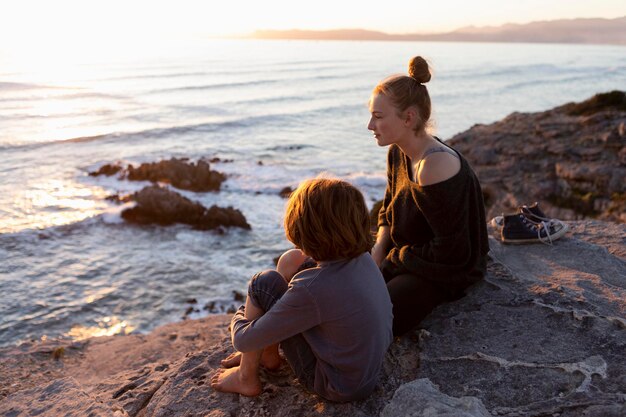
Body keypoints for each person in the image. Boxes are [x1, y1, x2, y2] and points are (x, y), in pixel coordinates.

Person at [210, 178, 393, 402]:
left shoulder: (313, 288)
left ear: (302, 229)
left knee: (261, 284)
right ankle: (268, 353)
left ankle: (245, 377)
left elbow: (243, 340)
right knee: (291, 260)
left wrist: (242, 314)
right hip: (364, 372)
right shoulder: (363, 258)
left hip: (335, 385)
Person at [368, 56, 489, 337]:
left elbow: (452, 253)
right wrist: (377, 254)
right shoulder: (398, 151)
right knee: (335, 283)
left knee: (377, 315)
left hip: (443, 270)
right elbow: (388, 209)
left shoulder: (434, 166)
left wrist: (392, 260)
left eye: (378, 116)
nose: (370, 126)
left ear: (409, 118)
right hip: (408, 254)